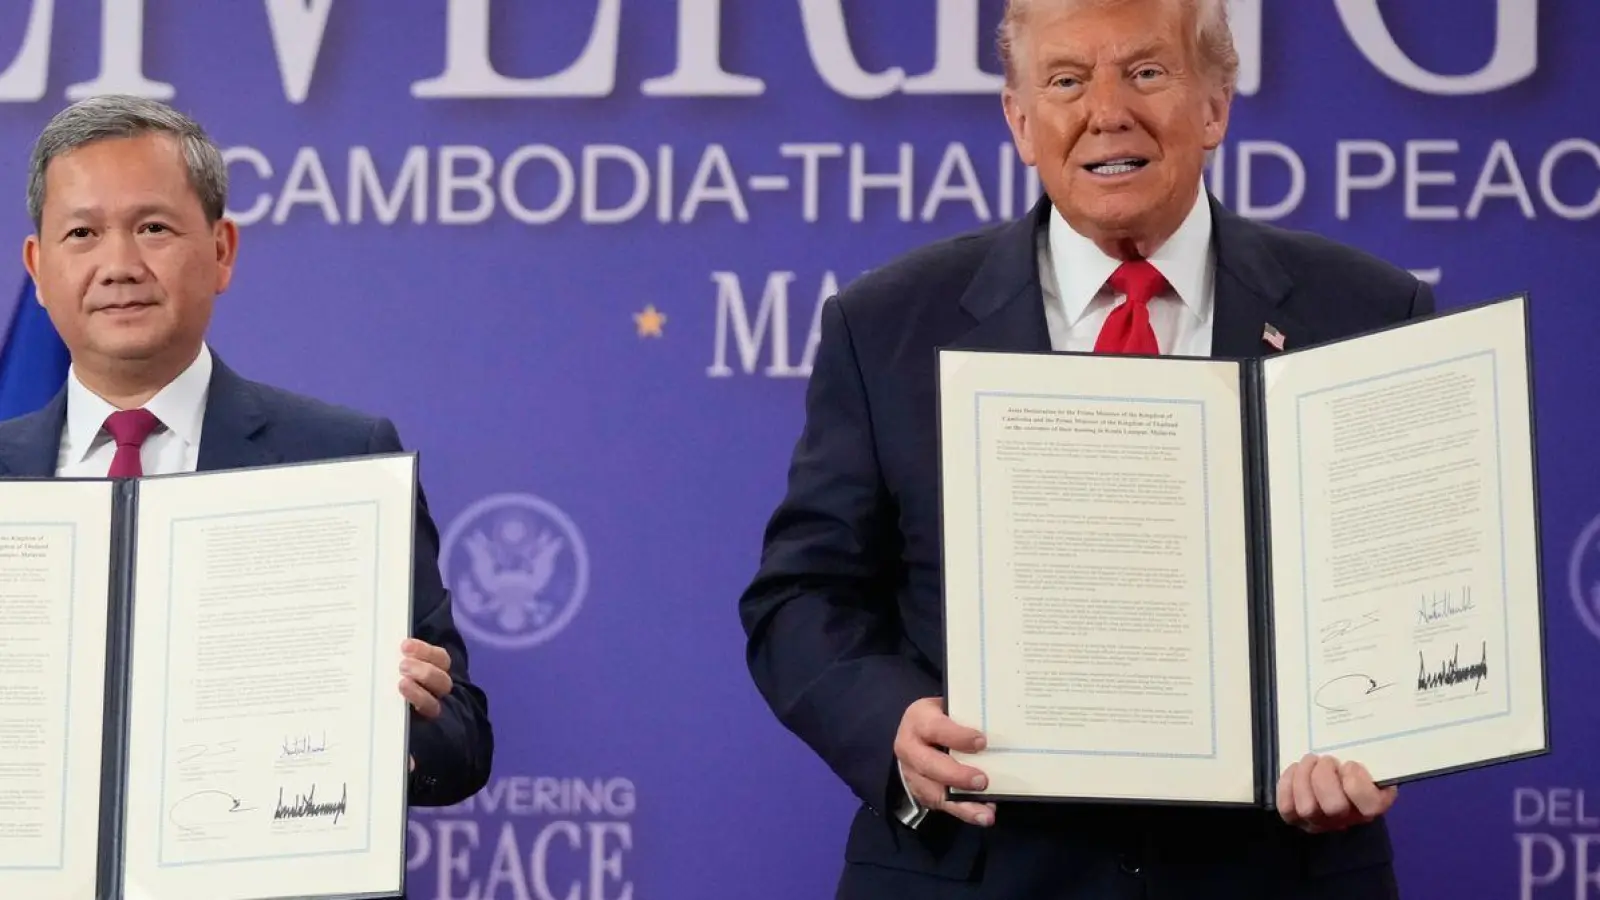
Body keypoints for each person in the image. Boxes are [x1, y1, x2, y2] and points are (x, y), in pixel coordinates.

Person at [738, 0, 1431, 897]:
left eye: (1147, 72)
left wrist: (1386, 730)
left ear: (1215, 105)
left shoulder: (1369, 315)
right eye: (1067, 81)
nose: (1108, 111)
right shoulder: (886, 327)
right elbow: (801, 595)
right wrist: (894, 726)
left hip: (1273, 870)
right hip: (977, 869)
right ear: (1021, 123)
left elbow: (1413, 595)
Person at [0, 95, 492, 808]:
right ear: (38, 267)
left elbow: (462, 742)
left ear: (222, 251)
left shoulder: (337, 461)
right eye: (82, 233)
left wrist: (411, 715)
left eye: (153, 227)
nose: (120, 264)